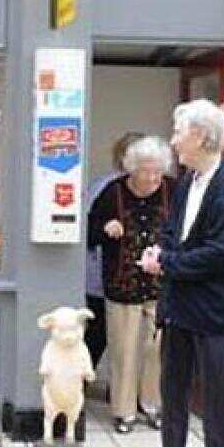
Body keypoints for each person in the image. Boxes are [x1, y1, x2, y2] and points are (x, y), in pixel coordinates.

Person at [140, 99, 224, 447]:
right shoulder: (188, 180)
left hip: (220, 312)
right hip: (180, 307)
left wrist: (167, 263)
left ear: (202, 138)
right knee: (173, 391)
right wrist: (161, 251)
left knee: (221, 400)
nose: (172, 140)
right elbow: (175, 232)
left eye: (178, 132)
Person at [87, 136, 174, 434]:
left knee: (156, 349)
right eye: (145, 171)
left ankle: (151, 405)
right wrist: (105, 228)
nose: (151, 178)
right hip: (121, 284)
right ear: (131, 169)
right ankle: (123, 411)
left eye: (157, 172)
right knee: (124, 350)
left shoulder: (173, 190)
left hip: (162, 284)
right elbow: (87, 233)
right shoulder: (113, 193)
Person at [83, 132, 140, 391]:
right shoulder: (107, 187)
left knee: (113, 336)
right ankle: (86, 383)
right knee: (101, 333)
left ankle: (112, 388)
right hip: (104, 273)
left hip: (127, 276)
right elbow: (89, 229)